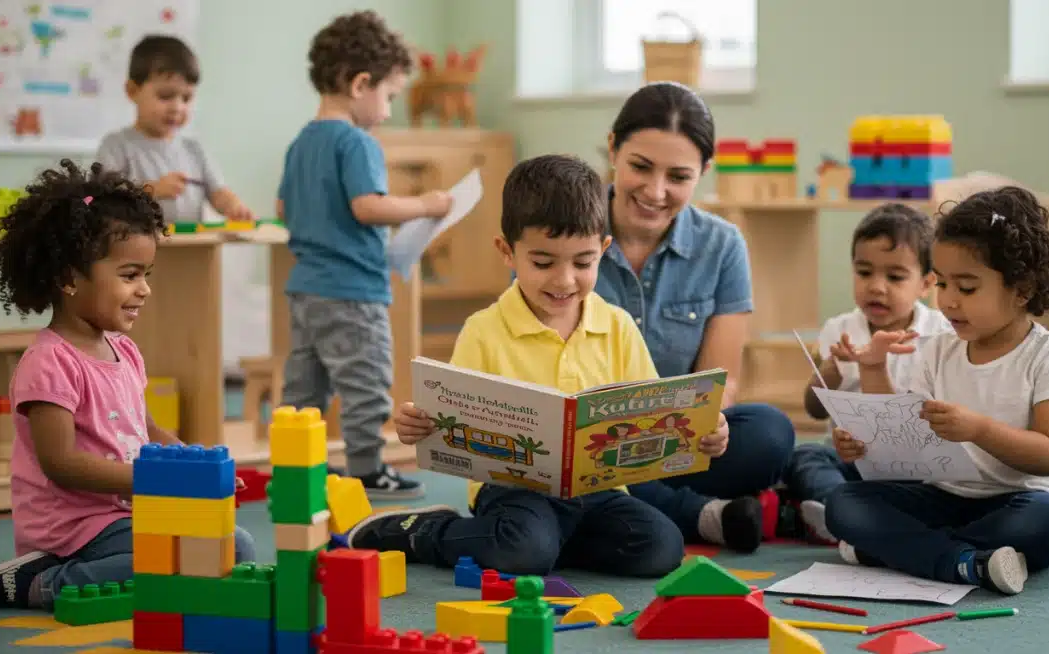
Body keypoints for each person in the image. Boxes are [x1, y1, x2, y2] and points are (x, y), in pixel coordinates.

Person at [344, 154, 725, 577]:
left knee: (662, 547)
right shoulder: (484, 330)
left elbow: (657, 413)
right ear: (507, 252)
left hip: (597, 491)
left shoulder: (616, 326)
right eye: (543, 263)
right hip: (509, 490)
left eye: (583, 263)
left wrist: (707, 431)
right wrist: (418, 426)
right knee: (523, 549)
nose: (564, 281)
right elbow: (446, 421)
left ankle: (550, 543)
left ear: (603, 250)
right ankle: (428, 530)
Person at [0, 160, 257, 610]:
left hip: (128, 513)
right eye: (129, 276)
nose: (144, 290)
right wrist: (151, 478)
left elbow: (146, 429)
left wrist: (192, 463)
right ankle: (41, 580)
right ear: (69, 279)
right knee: (167, 557)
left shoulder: (125, 351)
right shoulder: (49, 362)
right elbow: (60, 463)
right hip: (74, 530)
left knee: (236, 545)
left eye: (146, 276)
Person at [824, 186, 1049, 596]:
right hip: (943, 496)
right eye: (942, 284)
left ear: (1022, 289)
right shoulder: (938, 351)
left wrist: (979, 429)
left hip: (1018, 499)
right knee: (843, 503)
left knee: (1046, 521)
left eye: (966, 288)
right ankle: (967, 563)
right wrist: (864, 441)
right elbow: (904, 444)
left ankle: (898, 549)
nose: (947, 301)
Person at [593, 82, 796, 545]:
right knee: (557, 471)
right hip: (591, 445)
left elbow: (718, 382)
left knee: (770, 434)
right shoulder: (566, 231)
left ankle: (627, 509)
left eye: (678, 177)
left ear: (704, 171)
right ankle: (699, 515)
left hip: (673, 442)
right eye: (640, 167)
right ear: (613, 149)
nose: (655, 191)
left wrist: (714, 422)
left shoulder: (721, 245)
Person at [276, 11, 452, 498]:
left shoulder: (301, 143)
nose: (389, 110)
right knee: (365, 381)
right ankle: (368, 468)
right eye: (390, 96)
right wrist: (426, 205)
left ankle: (295, 469)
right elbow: (368, 206)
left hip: (306, 287)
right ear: (360, 84)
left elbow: (282, 207)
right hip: (352, 291)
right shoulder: (357, 141)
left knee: (304, 390)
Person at [783, 203, 952, 543]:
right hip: (854, 461)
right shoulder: (839, 329)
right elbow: (814, 409)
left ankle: (848, 517)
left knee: (946, 488)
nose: (876, 287)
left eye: (894, 276)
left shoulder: (941, 333)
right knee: (807, 456)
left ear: (926, 283)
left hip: (915, 469)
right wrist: (832, 369)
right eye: (864, 272)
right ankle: (838, 511)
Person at [95, 35, 254, 225]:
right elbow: (100, 200)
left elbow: (218, 192)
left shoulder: (194, 150)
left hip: (192, 249)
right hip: (139, 252)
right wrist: (152, 190)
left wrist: (234, 206)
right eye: (165, 96)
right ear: (132, 91)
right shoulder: (116, 146)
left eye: (186, 98)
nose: (177, 108)